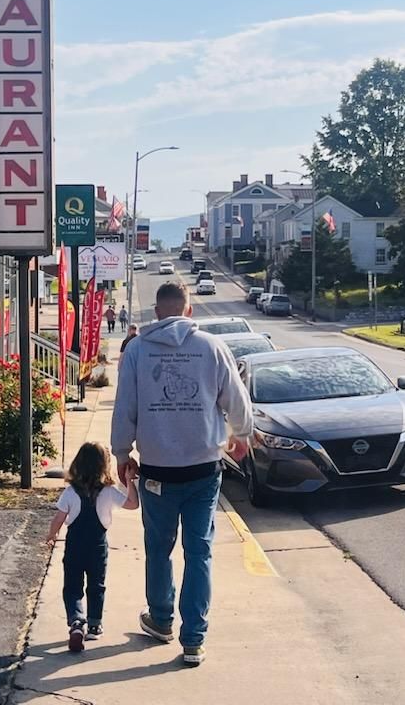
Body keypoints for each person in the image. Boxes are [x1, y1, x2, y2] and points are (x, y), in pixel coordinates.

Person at [111, 281, 252, 666]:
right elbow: (237, 399)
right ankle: (194, 640)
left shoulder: (138, 350)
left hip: (157, 469)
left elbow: (125, 406)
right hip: (204, 468)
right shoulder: (211, 347)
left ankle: (160, 619)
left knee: (158, 548)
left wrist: (122, 453)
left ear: (157, 313)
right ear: (188, 311)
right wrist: (240, 434)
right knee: (199, 551)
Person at [46, 442, 139, 653]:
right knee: (96, 585)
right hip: (97, 546)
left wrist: (52, 536)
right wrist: (128, 481)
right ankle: (95, 624)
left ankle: (76, 622)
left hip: (74, 546)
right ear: (103, 466)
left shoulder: (70, 492)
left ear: (77, 464)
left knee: (72, 585)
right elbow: (133, 504)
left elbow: (58, 519)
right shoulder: (108, 492)